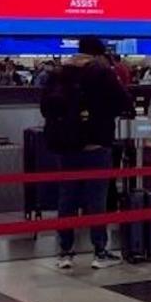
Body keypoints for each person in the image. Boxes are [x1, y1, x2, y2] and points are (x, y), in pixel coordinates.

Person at [40, 36, 132, 270]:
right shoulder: (101, 72)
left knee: (67, 198)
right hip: (96, 144)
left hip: (66, 145)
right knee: (96, 199)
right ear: (98, 54)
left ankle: (65, 252)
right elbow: (123, 102)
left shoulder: (58, 73)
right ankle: (99, 251)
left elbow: (44, 108)